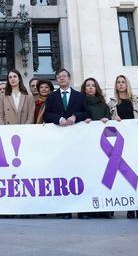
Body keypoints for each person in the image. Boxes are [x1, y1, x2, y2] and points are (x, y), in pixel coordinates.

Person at [44, 68, 89, 219]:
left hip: (77, 143)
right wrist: (59, 119)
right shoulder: (51, 97)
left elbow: (87, 113)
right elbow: (47, 115)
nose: (61, 79)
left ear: (69, 79)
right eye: (59, 77)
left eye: (64, 76)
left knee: (79, 175)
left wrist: (76, 116)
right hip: (59, 143)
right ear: (56, 80)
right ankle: (65, 210)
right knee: (62, 176)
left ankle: (82, 210)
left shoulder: (79, 96)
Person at [109, 75, 138, 219]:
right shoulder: (112, 104)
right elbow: (107, 126)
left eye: (123, 82)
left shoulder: (137, 102)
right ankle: (128, 207)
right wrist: (113, 120)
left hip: (135, 143)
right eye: (118, 82)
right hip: (119, 144)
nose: (121, 85)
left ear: (127, 84)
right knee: (122, 176)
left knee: (136, 176)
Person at [79, 77, 113, 219]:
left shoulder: (104, 105)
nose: (91, 87)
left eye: (93, 85)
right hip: (86, 147)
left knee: (101, 176)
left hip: (102, 148)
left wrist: (107, 121)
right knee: (87, 176)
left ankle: (104, 208)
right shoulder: (80, 104)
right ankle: (86, 209)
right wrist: (82, 120)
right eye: (88, 85)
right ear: (84, 88)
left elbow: (111, 128)